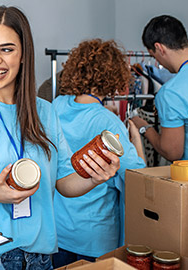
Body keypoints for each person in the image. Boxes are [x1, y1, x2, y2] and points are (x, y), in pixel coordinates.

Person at [0, 6, 120, 269]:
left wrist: (96, 176)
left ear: (23, 55)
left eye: (6, 49)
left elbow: (64, 183)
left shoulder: (46, 113)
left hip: (40, 258)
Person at [51, 39, 146, 268]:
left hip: (58, 231)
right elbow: (137, 177)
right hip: (95, 237)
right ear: (114, 78)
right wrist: (137, 142)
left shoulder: (56, 105)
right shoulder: (109, 122)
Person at [131, 15, 188, 161]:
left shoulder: (171, 92)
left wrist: (144, 127)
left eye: (154, 56)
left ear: (159, 48)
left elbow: (172, 152)